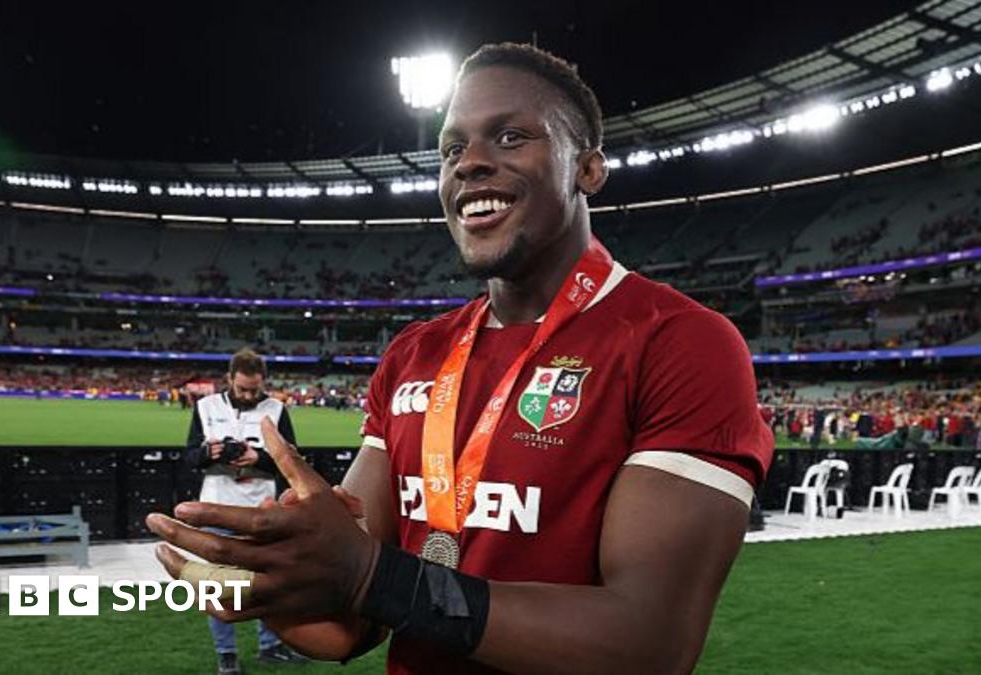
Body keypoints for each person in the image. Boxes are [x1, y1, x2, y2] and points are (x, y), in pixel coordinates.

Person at [149, 43, 774, 674]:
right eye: (451, 150)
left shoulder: (680, 342)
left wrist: (374, 575)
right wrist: (260, 583)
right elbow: (349, 626)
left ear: (587, 169)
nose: (471, 164)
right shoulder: (413, 355)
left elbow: (648, 643)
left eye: (509, 136)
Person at [181, 348, 307, 673]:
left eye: (255, 389)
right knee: (219, 584)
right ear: (229, 379)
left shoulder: (276, 409)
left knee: (266, 582)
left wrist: (259, 458)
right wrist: (209, 453)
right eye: (243, 389)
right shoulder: (206, 407)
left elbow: (290, 462)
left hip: (261, 510)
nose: (250, 395)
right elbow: (189, 458)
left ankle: (271, 644)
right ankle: (226, 653)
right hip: (216, 507)